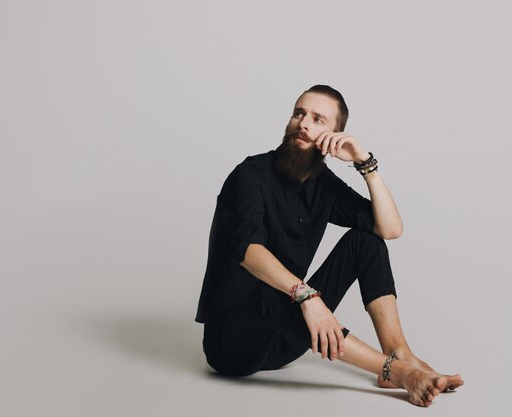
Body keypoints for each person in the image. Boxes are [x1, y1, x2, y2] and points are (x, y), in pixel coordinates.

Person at [195, 85, 464, 407]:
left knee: (366, 241)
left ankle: (399, 352)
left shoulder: (324, 184)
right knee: (268, 290)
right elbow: (248, 252)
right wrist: (308, 297)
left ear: (334, 135)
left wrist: (365, 164)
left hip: (290, 342)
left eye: (317, 119)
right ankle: (398, 372)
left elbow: (390, 229)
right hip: (233, 345)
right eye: (299, 113)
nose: (303, 123)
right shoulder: (250, 175)